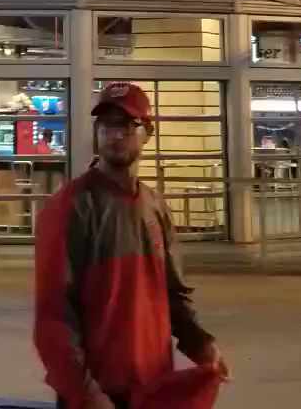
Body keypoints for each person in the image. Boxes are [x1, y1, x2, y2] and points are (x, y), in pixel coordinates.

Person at [35, 83, 226, 409]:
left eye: (127, 124)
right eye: (107, 124)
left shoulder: (154, 205)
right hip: (97, 391)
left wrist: (201, 345)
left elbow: (172, 292)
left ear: (147, 132)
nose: (115, 134)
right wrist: (85, 392)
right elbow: (54, 312)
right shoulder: (70, 206)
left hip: (151, 387)